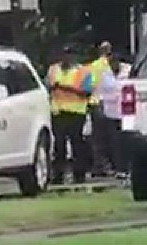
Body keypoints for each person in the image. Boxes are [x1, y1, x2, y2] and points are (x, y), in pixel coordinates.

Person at [45, 43, 96, 186]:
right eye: (64, 54)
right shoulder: (53, 69)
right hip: (58, 111)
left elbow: (86, 92)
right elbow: (48, 86)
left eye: (70, 55)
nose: (66, 58)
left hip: (76, 112)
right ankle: (58, 175)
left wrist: (65, 88)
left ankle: (79, 175)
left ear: (74, 57)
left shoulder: (84, 71)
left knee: (77, 144)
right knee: (59, 145)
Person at [92, 47, 128, 180]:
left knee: (125, 139)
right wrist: (100, 107)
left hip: (126, 112)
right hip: (110, 112)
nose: (114, 65)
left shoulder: (128, 71)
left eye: (116, 62)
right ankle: (116, 168)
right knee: (114, 141)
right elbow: (100, 92)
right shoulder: (104, 73)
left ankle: (125, 168)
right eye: (111, 62)